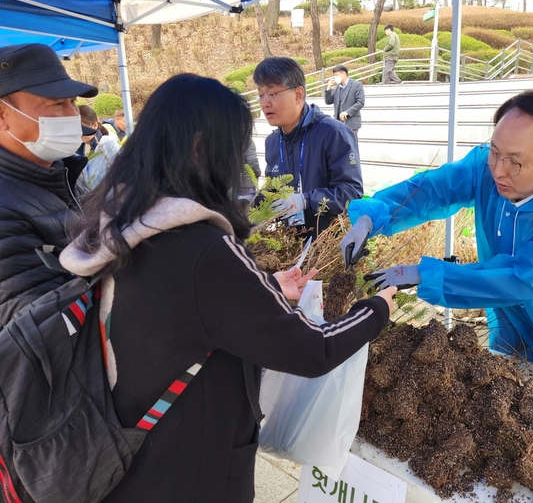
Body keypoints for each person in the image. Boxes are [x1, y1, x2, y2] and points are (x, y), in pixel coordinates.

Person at [58, 73, 397, 502]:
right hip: (192, 467)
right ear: (202, 146)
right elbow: (311, 350)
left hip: (130, 452)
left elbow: (181, 311)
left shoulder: (125, 220)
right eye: (233, 146)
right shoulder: (204, 247)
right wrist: (376, 309)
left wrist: (263, 287)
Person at [340, 89, 533, 389]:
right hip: (511, 326)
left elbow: (521, 277)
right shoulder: (489, 168)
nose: (499, 170)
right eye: (494, 151)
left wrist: (426, 274)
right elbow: (432, 190)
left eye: (515, 161)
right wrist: (373, 214)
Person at [0, 43, 97, 325]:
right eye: (57, 104)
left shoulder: (63, 174)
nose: (71, 115)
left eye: (72, 103)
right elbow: (42, 326)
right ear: (3, 115)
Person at [254, 57, 363, 236]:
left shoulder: (333, 133)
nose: (265, 103)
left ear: (298, 94)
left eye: (272, 94)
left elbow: (351, 193)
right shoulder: (273, 142)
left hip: (329, 249)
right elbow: (274, 189)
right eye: (260, 95)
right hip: (289, 246)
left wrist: (306, 200)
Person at [78, 104, 121, 189]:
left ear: (94, 125)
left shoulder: (108, 145)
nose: (78, 132)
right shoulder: (81, 147)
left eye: (81, 127)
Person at [324, 64, 365, 142]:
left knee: (352, 146)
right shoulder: (337, 88)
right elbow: (328, 101)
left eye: (336, 75)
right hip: (338, 123)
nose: (335, 77)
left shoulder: (356, 85)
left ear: (343, 74)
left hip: (351, 122)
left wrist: (347, 112)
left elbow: (360, 102)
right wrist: (329, 88)